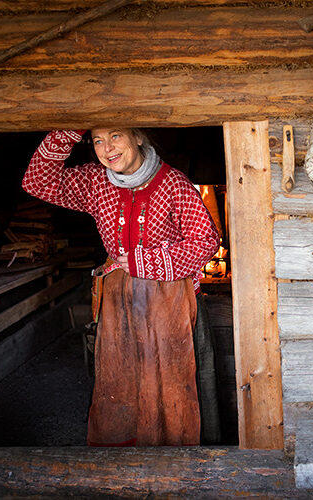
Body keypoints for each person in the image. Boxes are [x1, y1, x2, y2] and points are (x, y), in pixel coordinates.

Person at [22, 129, 220, 446]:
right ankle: (125, 463)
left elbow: (205, 241)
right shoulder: (95, 181)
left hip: (171, 306)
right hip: (120, 302)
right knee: (122, 381)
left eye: (115, 136)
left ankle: (180, 461)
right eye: (98, 141)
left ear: (138, 138)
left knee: (173, 385)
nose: (107, 148)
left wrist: (142, 263)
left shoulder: (173, 183)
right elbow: (37, 182)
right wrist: (68, 132)